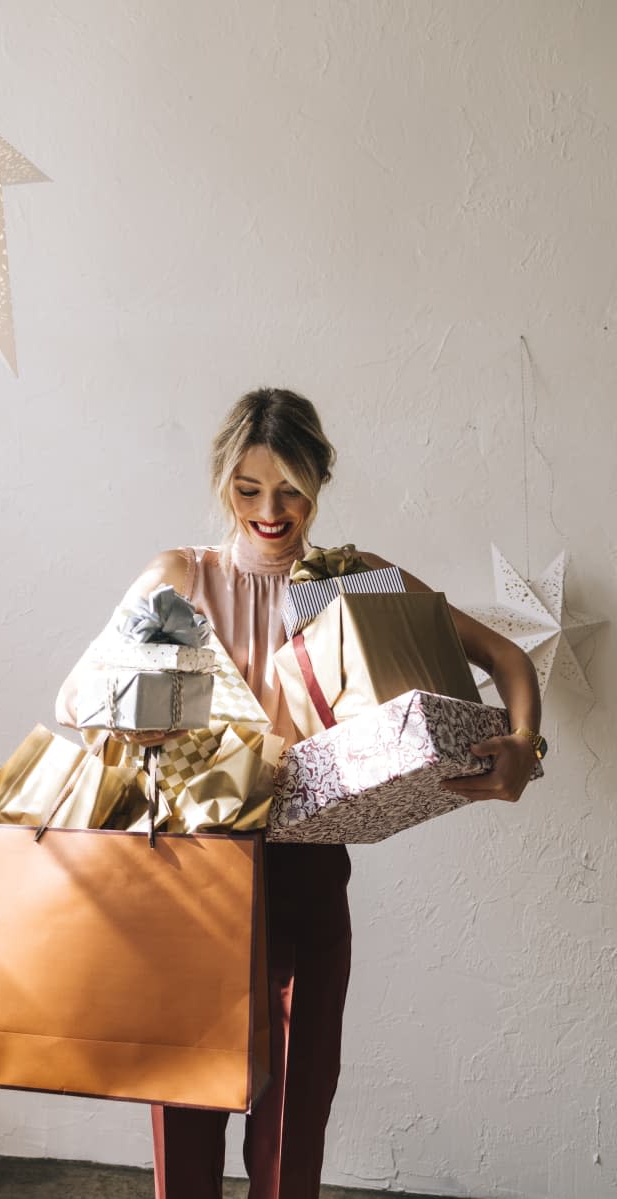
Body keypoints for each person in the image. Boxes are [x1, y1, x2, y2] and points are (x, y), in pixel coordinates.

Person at [65, 387, 543, 1199]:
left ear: (320, 481)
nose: (270, 510)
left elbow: (507, 658)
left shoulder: (349, 581)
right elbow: (78, 697)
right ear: (225, 485)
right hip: (194, 868)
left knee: (295, 1121)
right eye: (249, 489)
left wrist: (522, 749)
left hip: (311, 870)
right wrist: (135, 719)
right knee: (185, 1118)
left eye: (289, 488)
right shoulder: (184, 577)